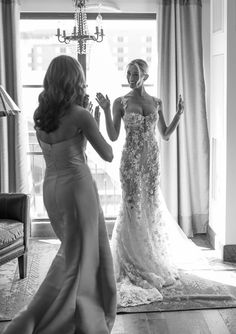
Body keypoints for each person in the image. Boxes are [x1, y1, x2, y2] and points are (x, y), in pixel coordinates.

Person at [3, 55, 117, 334]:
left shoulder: (41, 114)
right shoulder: (80, 114)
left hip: (52, 189)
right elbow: (108, 153)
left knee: (73, 254)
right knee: (82, 255)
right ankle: (47, 318)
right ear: (73, 80)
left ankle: (75, 314)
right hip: (77, 190)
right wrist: (93, 123)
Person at [95, 58, 196, 308]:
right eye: (128, 73)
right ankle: (133, 260)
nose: (130, 77)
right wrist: (107, 110)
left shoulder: (156, 102)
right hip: (130, 163)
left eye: (135, 73)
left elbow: (165, 135)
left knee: (150, 208)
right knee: (132, 208)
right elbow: (114, 135)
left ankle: (150, 256)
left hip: (151, 164)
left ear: (145, 76)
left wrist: (179, 115)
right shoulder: (121, 102)